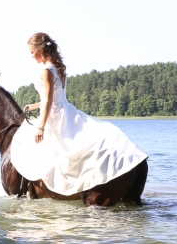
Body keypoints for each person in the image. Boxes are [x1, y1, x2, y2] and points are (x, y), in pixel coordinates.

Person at [10, 32, 148, 196]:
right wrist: (34, 106)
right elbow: (54, 97)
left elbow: (49, 101)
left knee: (32, 141)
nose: (32, 56)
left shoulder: (46, 70)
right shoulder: (58, 68)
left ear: (40, 50)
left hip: (54, 114)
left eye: (32, 52)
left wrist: (41, 126)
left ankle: (43, 181)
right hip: (64, 109)